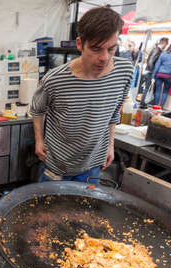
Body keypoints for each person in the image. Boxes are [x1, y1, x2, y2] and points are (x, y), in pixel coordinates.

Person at [31, 6, 133, 184]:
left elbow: (114, 112)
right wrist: (39, 140)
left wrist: (110, 146)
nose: (104, 58)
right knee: (50, 210)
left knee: (84, 211)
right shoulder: (55, 79)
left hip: (93, 163)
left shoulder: (125, 71)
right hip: (57, 162)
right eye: (96, 49)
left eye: (111, 49)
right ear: (79, 44)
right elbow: (37, 109)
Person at [152, 40, 171, 107]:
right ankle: (161, 107)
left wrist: (153, 76)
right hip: (169, 75)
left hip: (159, 74)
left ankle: (156, 105)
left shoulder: (164, 53)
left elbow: (157, 65)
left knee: (158, 90)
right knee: (165, 91)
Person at [141, 37, 169, 103]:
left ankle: (144, 103)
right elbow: (150, 62)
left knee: (149, 89)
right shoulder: (157, 50)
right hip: (150, 72)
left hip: (150, 71)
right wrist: (153, 73)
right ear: (164, 43)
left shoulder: (158, 50)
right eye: (166, 44)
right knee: (148, 89)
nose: (166, 46)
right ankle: (144, 103)